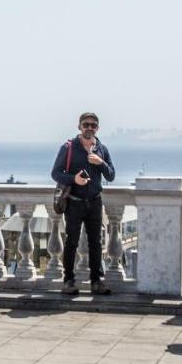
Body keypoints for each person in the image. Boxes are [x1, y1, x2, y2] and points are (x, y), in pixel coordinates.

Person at [50, 112, 116, 295]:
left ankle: (97, 281)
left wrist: (100, 162)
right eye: (86, 124)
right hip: (74, 203)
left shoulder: (101, 149)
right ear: (79, 126)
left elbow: (111, 175)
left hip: (95, 202)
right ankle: (68, 281)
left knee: (96, 243)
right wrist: (74, 179)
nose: (89, 128)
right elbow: (55, 173)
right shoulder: (69, 147)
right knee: (71, 242)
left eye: (93, 125)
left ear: (97, 129)